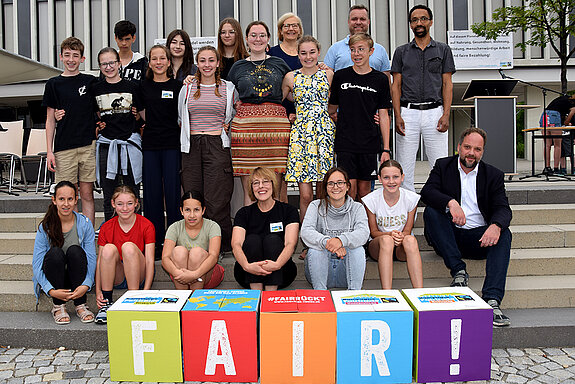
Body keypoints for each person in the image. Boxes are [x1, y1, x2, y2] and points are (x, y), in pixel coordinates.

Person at [421, 127, 512, 327]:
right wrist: (451, 203)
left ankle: (492, 300)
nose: (471, 153)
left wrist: (495, 225)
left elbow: (503, 208)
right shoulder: (443, 166)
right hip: (448, 237)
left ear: (482, 152)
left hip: (478, 239)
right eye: (468, 147)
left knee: (504, 233)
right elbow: (427, 192)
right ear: (459, 147)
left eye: (477, 149)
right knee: (431, 212)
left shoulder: (493, 175)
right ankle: (458, 271)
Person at [178, 45, 237, 252]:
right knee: (193, 196)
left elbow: (235, 115)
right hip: (191, 146)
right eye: (202, 61)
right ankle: (195, 245)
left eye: (211, 60)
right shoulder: (187, 88)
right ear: (197, 63)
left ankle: (219, 247)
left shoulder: (229, 88)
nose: (207, 65)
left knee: (217, 198)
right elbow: (181, 118)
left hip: (216, 145)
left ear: (218, 63)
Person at [391, 4, 456, 191]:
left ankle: (442, 205)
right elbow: (395, 86)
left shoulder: (443, 50)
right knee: (404, 166)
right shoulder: (401, 52)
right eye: (414, 20)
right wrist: (397, 115)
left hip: (435, 112)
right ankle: (407, 212)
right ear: (410, 25)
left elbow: (447, 84)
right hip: (408, 112)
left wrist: (446, 114)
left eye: (423, 19)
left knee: (440, 163)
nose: (419, 23)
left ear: (431, 22)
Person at [227, 21, 292, 206]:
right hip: (245, 131)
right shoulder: (237, 67)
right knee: (250, 186)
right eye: (253, 35)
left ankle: (278, 230)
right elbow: (226, 94)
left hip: (276, 130)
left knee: (276, 186)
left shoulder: (279, 63)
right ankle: (251, 231)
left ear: (268, 39)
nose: (258, 39)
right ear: (247, 39)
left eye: (262, 35)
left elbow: (296, 90)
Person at [328, 32, 392, 201]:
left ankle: (364, 227)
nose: (356, 54)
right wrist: (335, 117)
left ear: (371, 51)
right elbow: (331, 107)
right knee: (349, 189)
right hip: (345, 142)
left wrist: (385, 148)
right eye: (353, 50)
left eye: (361, 49)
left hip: (369, 143)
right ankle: (349, 227)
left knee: (364, 193)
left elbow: (384, 115)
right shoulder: (341, 76)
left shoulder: (380, 80)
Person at [42, 37, 96, 225]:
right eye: (67, 55)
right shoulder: (53, 84)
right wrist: (49, 151)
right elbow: (49, 120)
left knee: (87, 194)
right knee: (67, 195)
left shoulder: (90, 82)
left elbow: (99, 110)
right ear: (61, 57)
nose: (71, 59)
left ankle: (87, 236)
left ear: (82, 58)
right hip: (64, 148)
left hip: (88, 146)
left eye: (75, 55)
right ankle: (69, 236)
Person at [282, 35, 335, 222]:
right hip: (301, 135)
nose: (308, 56)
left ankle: (321, 236)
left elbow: (336, 102)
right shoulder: (290, 77)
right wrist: (289, 115)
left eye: (312, 52)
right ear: (298, 55)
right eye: (303, 53)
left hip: (323, 134)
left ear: (319, 52)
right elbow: (281, 101)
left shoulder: (328, 74)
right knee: (305, 196)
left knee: (322, 194)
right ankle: (306, 240)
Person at [139, 44, 183, 257]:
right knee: (152, 194)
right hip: (150, 145)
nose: (158, 62)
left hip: (172, 144)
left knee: (173, 194)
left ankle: (173, 241)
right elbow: (140, 113)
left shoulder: (178, 86)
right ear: (150, 63)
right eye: (154, 59)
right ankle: (154, 242)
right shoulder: (143, 87)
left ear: (168, 61)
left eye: (162, 58)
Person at [32, 181, 96, 325]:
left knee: (75, 251)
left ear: (76, 200)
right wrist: (51, 291)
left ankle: (80, 304)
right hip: (55, 279)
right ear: (54, 200)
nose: (66, 204)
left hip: (77, 277)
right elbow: (37, 263)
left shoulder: (85, 223)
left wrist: (86, 284)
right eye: (61, 199)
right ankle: (58, 306)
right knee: (55, 253)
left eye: (70, 199)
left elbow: (91, 258)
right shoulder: (46, 226)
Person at [93, 47, 143, 222]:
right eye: (104, 64)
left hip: (129, 144)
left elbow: (141, 115)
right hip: (107, 146)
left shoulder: (132, 87)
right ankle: (110, 236)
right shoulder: (96, 89)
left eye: (111, 62)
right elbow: (92, 114)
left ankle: (136, 236)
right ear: (99, 66)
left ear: (119, 63)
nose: (108, 67)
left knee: (133, 192)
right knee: (109, 194)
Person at [94, 185, 155, 324]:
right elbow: (100, 261)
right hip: (118, 274)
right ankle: (107, 302)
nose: (125, 208)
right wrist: (99, 291)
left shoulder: (146, 225)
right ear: (113, 204)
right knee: (108, 249)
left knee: (128, 247)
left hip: (139, 273)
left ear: (136, 204)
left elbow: (150, 261)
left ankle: (134, 299)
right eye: (120, 204)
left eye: (129, 204)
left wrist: (145, 292)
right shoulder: (106, 227)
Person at [231, 167, 299, 290]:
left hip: (281, 271)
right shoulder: (243, 213)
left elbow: (290, 243)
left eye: (266, 181)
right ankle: (256, 293)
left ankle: (270, 296)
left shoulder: (289, 211)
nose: (261, 186)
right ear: (251, 188)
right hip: (247, 272)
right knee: (252, 240)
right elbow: (236, 244)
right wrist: (247, 266)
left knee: (272, 240)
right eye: (256, 183)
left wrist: (277, 265)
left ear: (273, 184)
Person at [301, 167, 369, 290]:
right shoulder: (315, 206)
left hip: (346, 270)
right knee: (316, 250)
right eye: (331, 183)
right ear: (326, 188)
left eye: (340, 183)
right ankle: (320, 295)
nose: (335, 187)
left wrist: (341, 240)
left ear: (348, 186)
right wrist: (328, 242)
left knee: (357, 249)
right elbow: (306, 232)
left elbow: (363, 233)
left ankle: (354, 294)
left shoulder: (357, 207)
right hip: (320, 271)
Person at [362, 160, 423, 289]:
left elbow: (408, 229)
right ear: (379, 179)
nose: (391, 181)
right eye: (386, 177)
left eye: (395, 177)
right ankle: (387, 292)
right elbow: (373, 232)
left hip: (402, 245)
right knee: (386, 240)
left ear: (402, 177)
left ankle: (419, 291)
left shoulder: (411, 198)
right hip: (378, 245)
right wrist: (389, 234)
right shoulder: (371, 199)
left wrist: (400, 236)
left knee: (411, 240)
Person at [162, 191, 225, 290]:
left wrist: (194, 275)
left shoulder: (213, 226)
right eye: (187, 210)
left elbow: (213, 256)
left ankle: (195, 299)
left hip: (207, 274)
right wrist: (178, 274)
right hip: (180, 276)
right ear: (181, 211)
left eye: (196, 210)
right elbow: (165, 258)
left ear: (203, 210)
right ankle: (182, 296)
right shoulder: (175, 227)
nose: (192, 215)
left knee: (196, 252)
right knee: (178, 251)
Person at [323, 4, 390, 74]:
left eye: (362, 19)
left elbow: (386, 81)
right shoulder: (335, 49)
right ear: (348, 22)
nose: (358, 22)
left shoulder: (380, 50)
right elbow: (327, 77)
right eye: (354, 19)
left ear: (368, 22)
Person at [540, 94, 575, 175]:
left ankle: (547, 167)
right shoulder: (573, 105)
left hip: (545, 115)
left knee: (547, 145)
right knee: (557, 145)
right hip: (554, 116)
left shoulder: (565, 98)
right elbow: (567, 121)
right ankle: (556, 168)